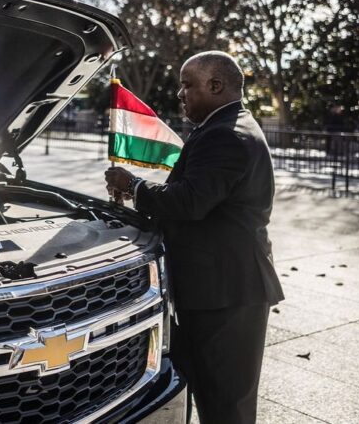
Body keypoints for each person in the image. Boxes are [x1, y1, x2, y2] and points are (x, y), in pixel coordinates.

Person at [105, 51, 284, 424]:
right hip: (217, 289)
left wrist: (134, 185)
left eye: (187, 85)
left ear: (216, 85)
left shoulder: (226, 134)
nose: (180, 94)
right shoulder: (226, 126)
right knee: (208, 392)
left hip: (227, 293)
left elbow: (189, 201)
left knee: (226, 405)